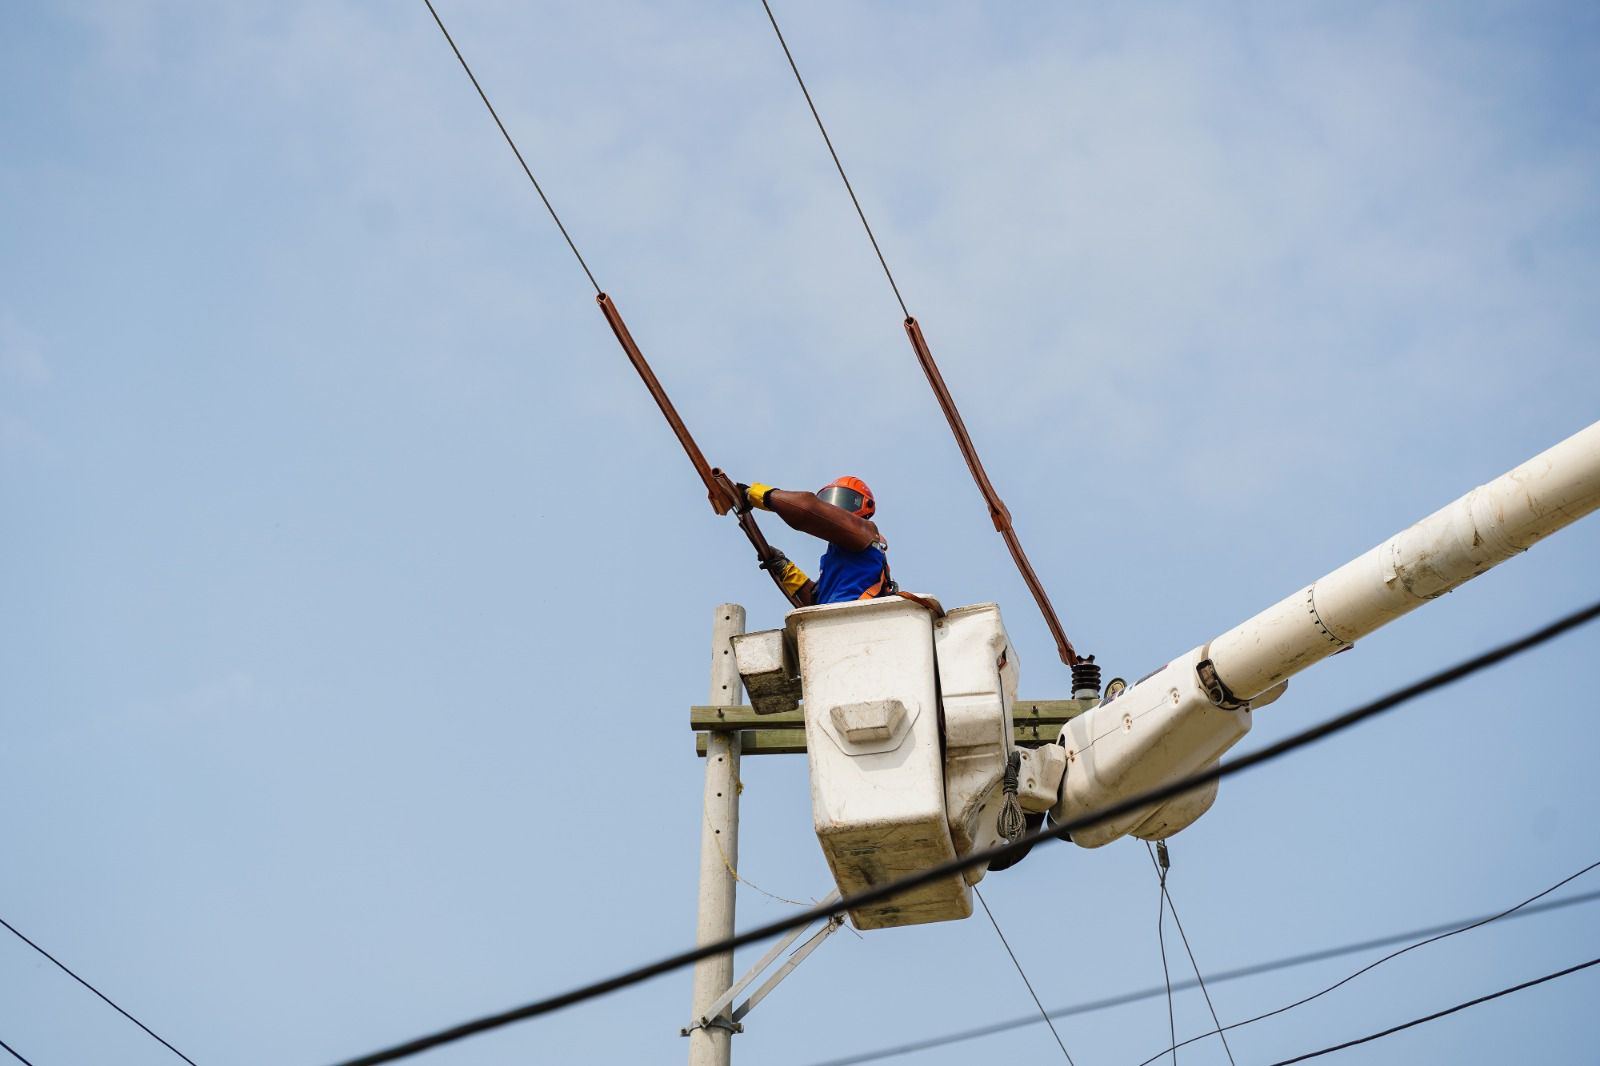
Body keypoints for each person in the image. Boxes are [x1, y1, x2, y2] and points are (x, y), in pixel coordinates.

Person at [738, 476, 895, 605]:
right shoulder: (836, 559)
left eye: (845, 500)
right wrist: (785, 569)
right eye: (828, 502)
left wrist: (756, 494)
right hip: (831, 624)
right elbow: (816, 603)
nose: (834, 508)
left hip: (855, 620)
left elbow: (807, 508)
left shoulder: (867, 532)